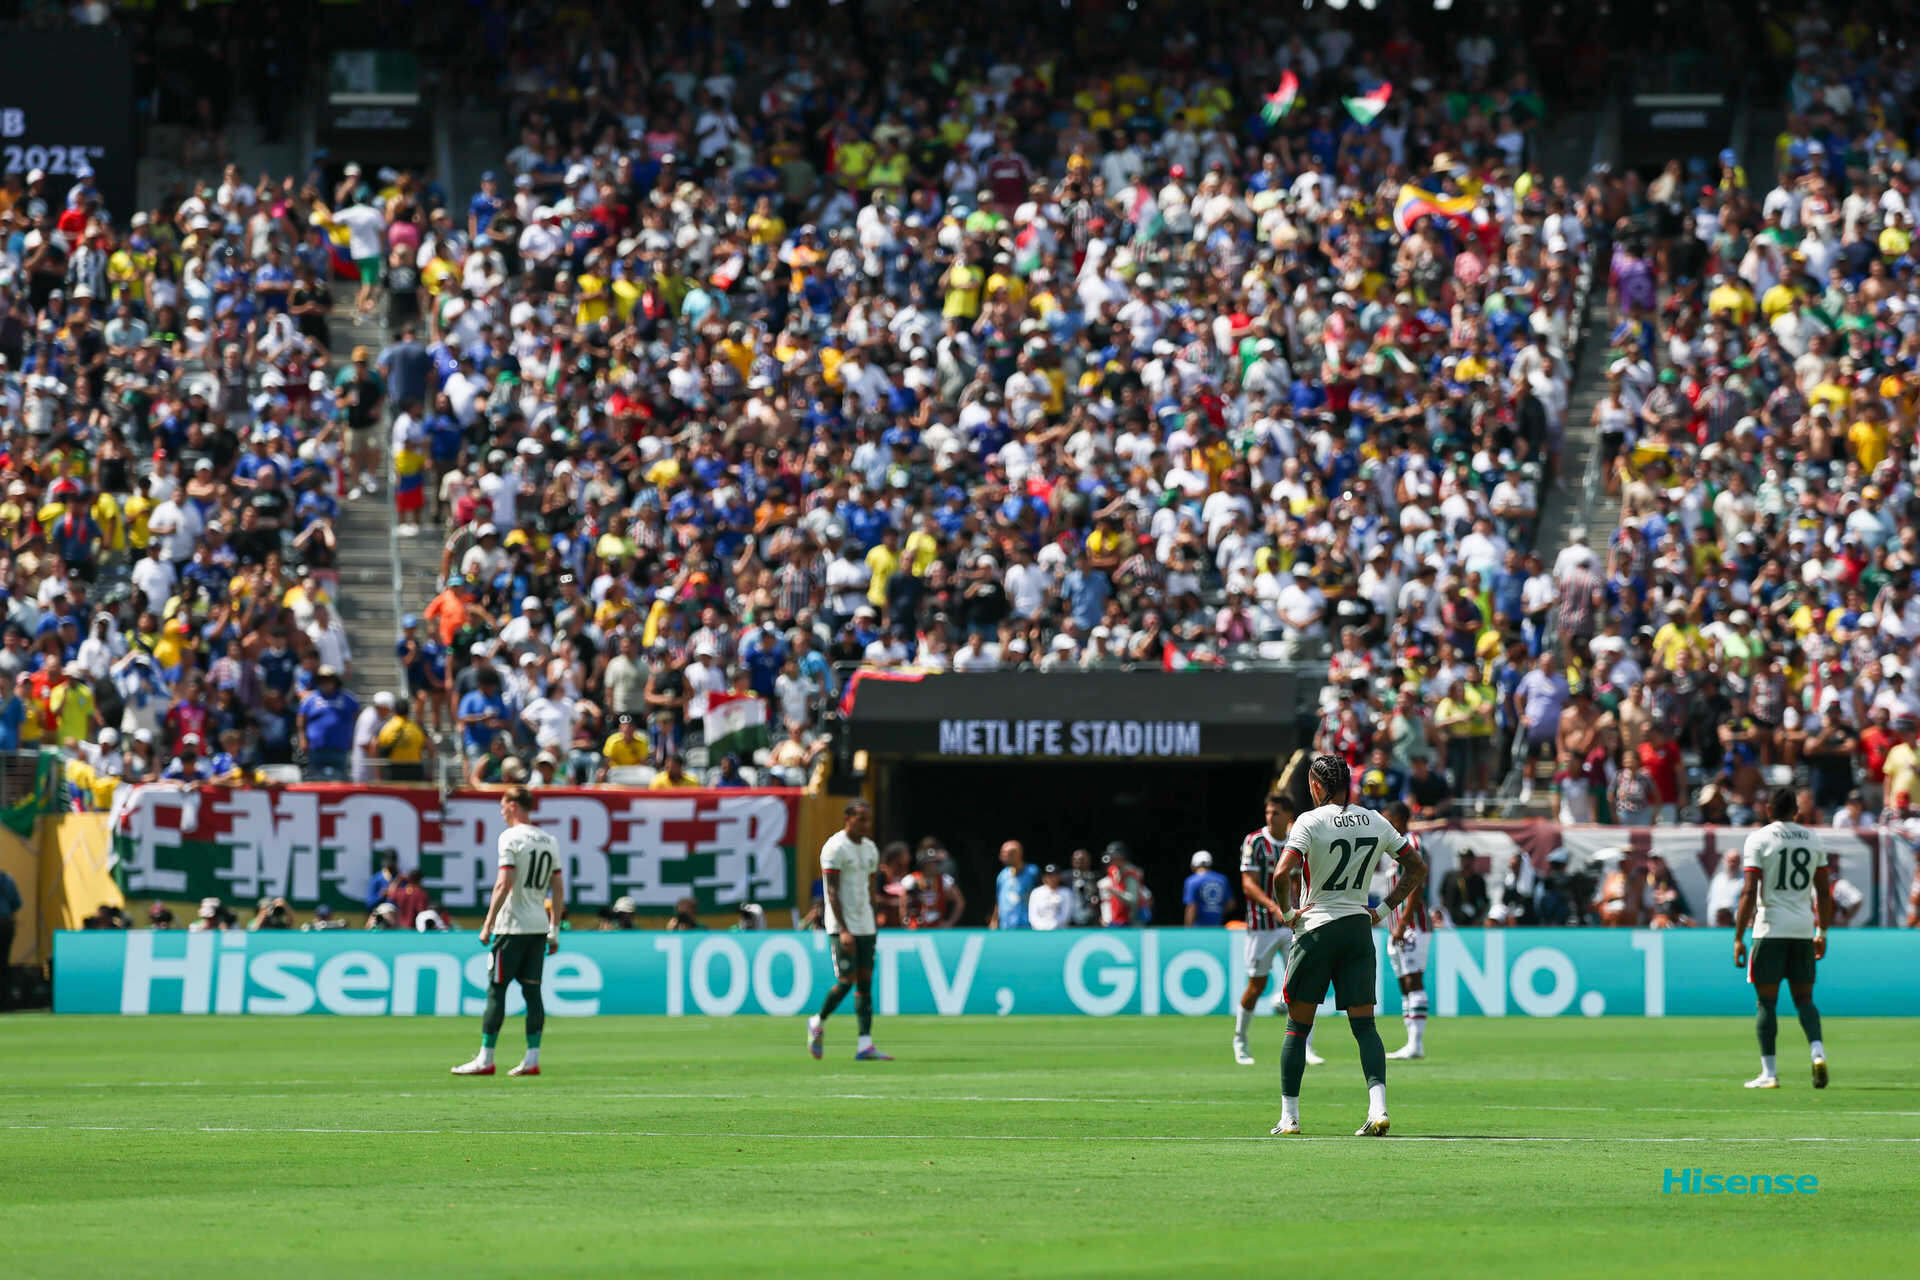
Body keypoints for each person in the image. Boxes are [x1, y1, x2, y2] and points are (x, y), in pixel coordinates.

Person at [1269, 754, 1425, 1137]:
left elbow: (1281, 873)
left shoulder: (1308, 821)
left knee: (1297, 1028)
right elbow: (1416, 868)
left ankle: (1290, 1118)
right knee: (1365, 1026)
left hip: (1317, 927)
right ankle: (1379, 1110)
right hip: (1358, 928)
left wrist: (1289, 913)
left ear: (1317, 786)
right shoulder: (1375, 819)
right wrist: (1384, 908)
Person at [453, 785, 563, 1078]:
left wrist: (488, 923)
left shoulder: (510, 838)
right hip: (539, 926)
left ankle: (486, 1058)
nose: (501, 810)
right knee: (533, 992)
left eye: (503, 805)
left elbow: (504, 883)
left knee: (496, 990)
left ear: (514, 805)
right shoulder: (548, 840)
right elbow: (559, 888)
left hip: (511, 926)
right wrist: (554, 929)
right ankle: (532, 1058)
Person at [1733, 787, 1834, 1090]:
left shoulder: (1759, 839)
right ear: (1797, 812)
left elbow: (1750, 890)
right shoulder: (1813, 838)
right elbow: (1824, 891)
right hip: (1803, 929)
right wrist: (1822, 931)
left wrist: (1739, 936)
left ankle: (1769, 1073)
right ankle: (1817, 1052)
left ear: (1767, 810)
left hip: (1770, 929)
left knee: (1766, 1002)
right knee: (1805, 999)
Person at [1232, 793, 1318, 1067]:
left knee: (1303, 984)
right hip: (1262, 926)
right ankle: (1240, 1040)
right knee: (1256, 986)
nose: (1270, 817)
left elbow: (1296, 882)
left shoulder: (1296, 841)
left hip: (1290, 923)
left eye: (1276, 813)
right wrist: (1274, 906)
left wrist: (1297, 909)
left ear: (1287, 816)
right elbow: (1248, 884)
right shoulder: (1255, 841)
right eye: (1268, 812)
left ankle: (1307, 1047)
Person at [807, 800, 891, 1061]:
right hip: (842, 924)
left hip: (865, 923)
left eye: (869, 819)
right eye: (861, 819)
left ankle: (865, 1044)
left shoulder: (870, 849)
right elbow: (831, 890)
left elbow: (870, 889)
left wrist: (874, 921)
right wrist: (843, 929)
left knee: (865, 982)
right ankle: (817, 1021)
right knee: (846, 981)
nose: (866, 824)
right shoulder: (834, 847)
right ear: (847, 818)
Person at [1380, 802, 1432, 1060]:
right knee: (1404, 983)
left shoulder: (1413, 843)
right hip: (1397, 927)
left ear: (1399, 820)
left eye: (1387, 819)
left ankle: (1416, 1043)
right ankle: (1411, 1042)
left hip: (1413, 926)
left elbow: (1417, 885)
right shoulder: (1393, 848)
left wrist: (1403, 923)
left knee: (1414, 980)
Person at [988, 839, 1037, 929]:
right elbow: (999, 900)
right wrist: (994, 920)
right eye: (1003, 853)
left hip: (1027, 925)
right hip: (1006, 926)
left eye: (1010, 853)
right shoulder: (1002, 875)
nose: (1004, 856)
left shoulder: (1032, 872)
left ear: (1019, 854)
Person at [1183, 850, 1231, 928]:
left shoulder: (1192, 881)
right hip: (1217, 927)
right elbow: (1231, 904)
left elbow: (1191, 907)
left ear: (1193, 865)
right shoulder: (1222, 879)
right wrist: (1217, 911)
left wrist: (1187, 929)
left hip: (1198, 929)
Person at [1028, 864, 1073, 931]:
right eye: (1049, 875)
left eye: (1055, 875)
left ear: (1059, 877)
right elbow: (1033, 916)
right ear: (1044, 877)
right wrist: (1042, 927)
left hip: (1060, 931)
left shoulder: (1066, 892)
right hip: (1039, 931)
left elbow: (1065, 916)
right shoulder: (1036, 892)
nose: (1052, 878)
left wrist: (1052, 927)